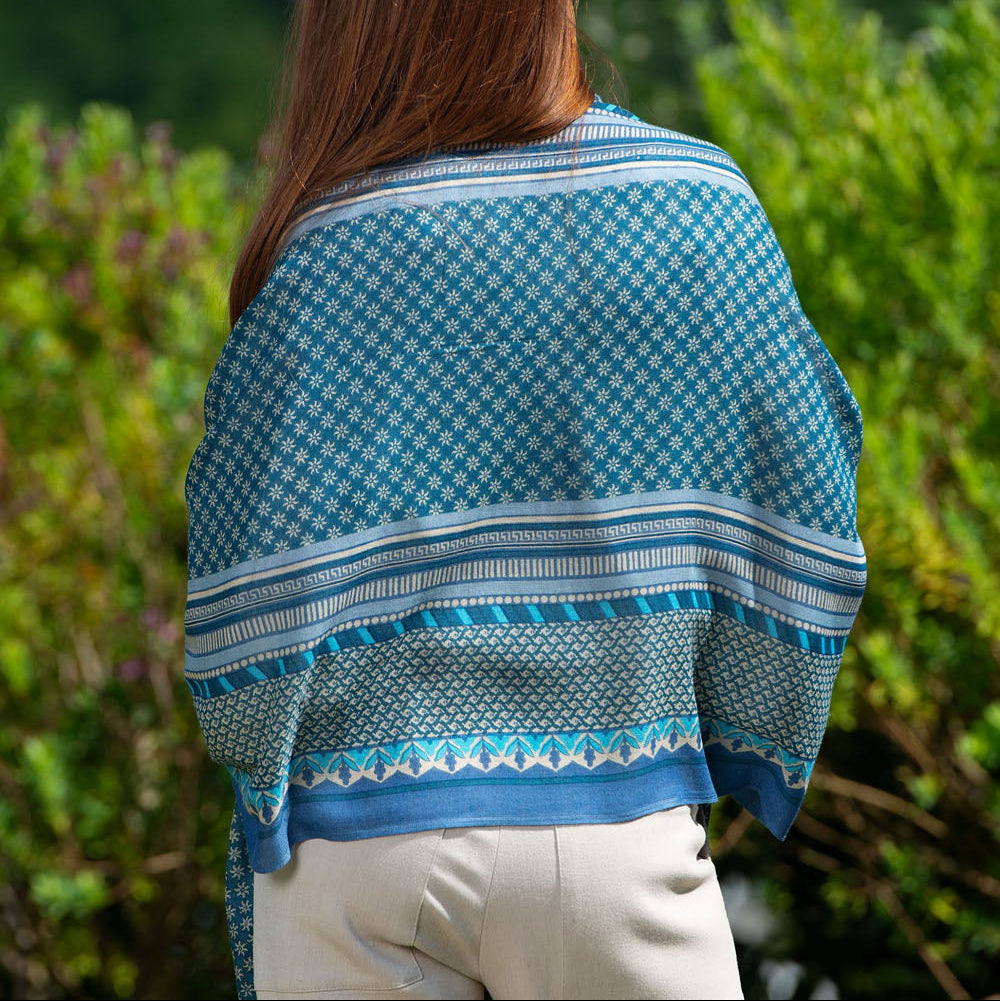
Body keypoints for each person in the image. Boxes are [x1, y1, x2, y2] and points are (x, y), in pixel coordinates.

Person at [182, 2, 867, 999]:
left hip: (344, 852)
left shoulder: (320, 244)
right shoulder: (695, 204)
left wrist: (282, 770)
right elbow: (808, 490)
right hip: (606, 831)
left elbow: (233, 579)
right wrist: (731, 727)